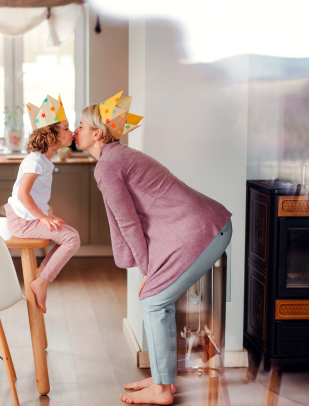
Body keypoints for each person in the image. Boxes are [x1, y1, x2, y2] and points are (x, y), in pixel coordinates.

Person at [73, 94, 232, 405]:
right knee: (156, 301)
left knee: (154, 301)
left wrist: (148, 271)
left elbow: (129, 223)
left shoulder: (107, 166)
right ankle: (163, 380)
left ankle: (161, 389)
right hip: (205, 227)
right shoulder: (119, 157)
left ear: (97, 134)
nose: (75, 131)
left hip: (201, 231)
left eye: (80, 126)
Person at [5, 94, 80, 313]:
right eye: (66, 128)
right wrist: (43, 217)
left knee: (69, 235)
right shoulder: (36, 160)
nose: (71, 132)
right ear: (50, 135)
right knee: (71, 239)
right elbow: (22, 194)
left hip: (25, 219)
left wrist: (44, 216)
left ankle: (41, 274)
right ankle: (42, 281)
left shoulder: (44, 159)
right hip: (22, 221)